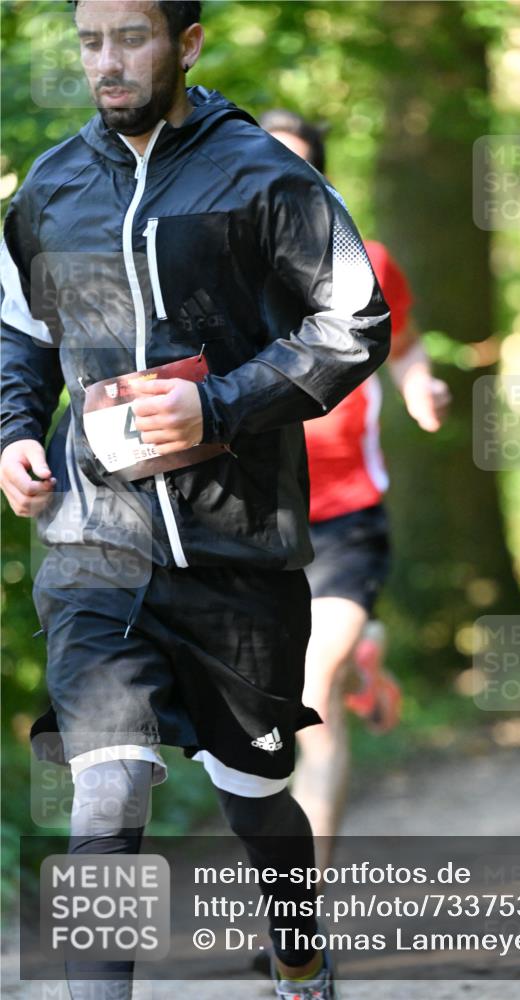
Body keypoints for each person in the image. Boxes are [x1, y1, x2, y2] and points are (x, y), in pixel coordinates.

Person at [0, 5, 391, 999]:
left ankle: (299, 952)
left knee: (258, 803)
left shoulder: (261, 175)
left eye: (130, 37)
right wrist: (12, 433)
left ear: (188, 40)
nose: (107, 62)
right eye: (90, 42)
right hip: (96, 541)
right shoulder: (49, 188)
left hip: (237, 547)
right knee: (107, 793)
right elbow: (21, 338)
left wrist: (215, 401)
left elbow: (353, 322)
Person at [259, 110, 450, 860]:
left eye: (295, 166)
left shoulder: (364, 261)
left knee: (311, 693)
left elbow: (403, 344)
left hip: (346, 517)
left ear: (320, 180)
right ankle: (367, 647)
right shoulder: (216, 273)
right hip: (251, 517)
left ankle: (300, 912)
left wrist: (419, 385)